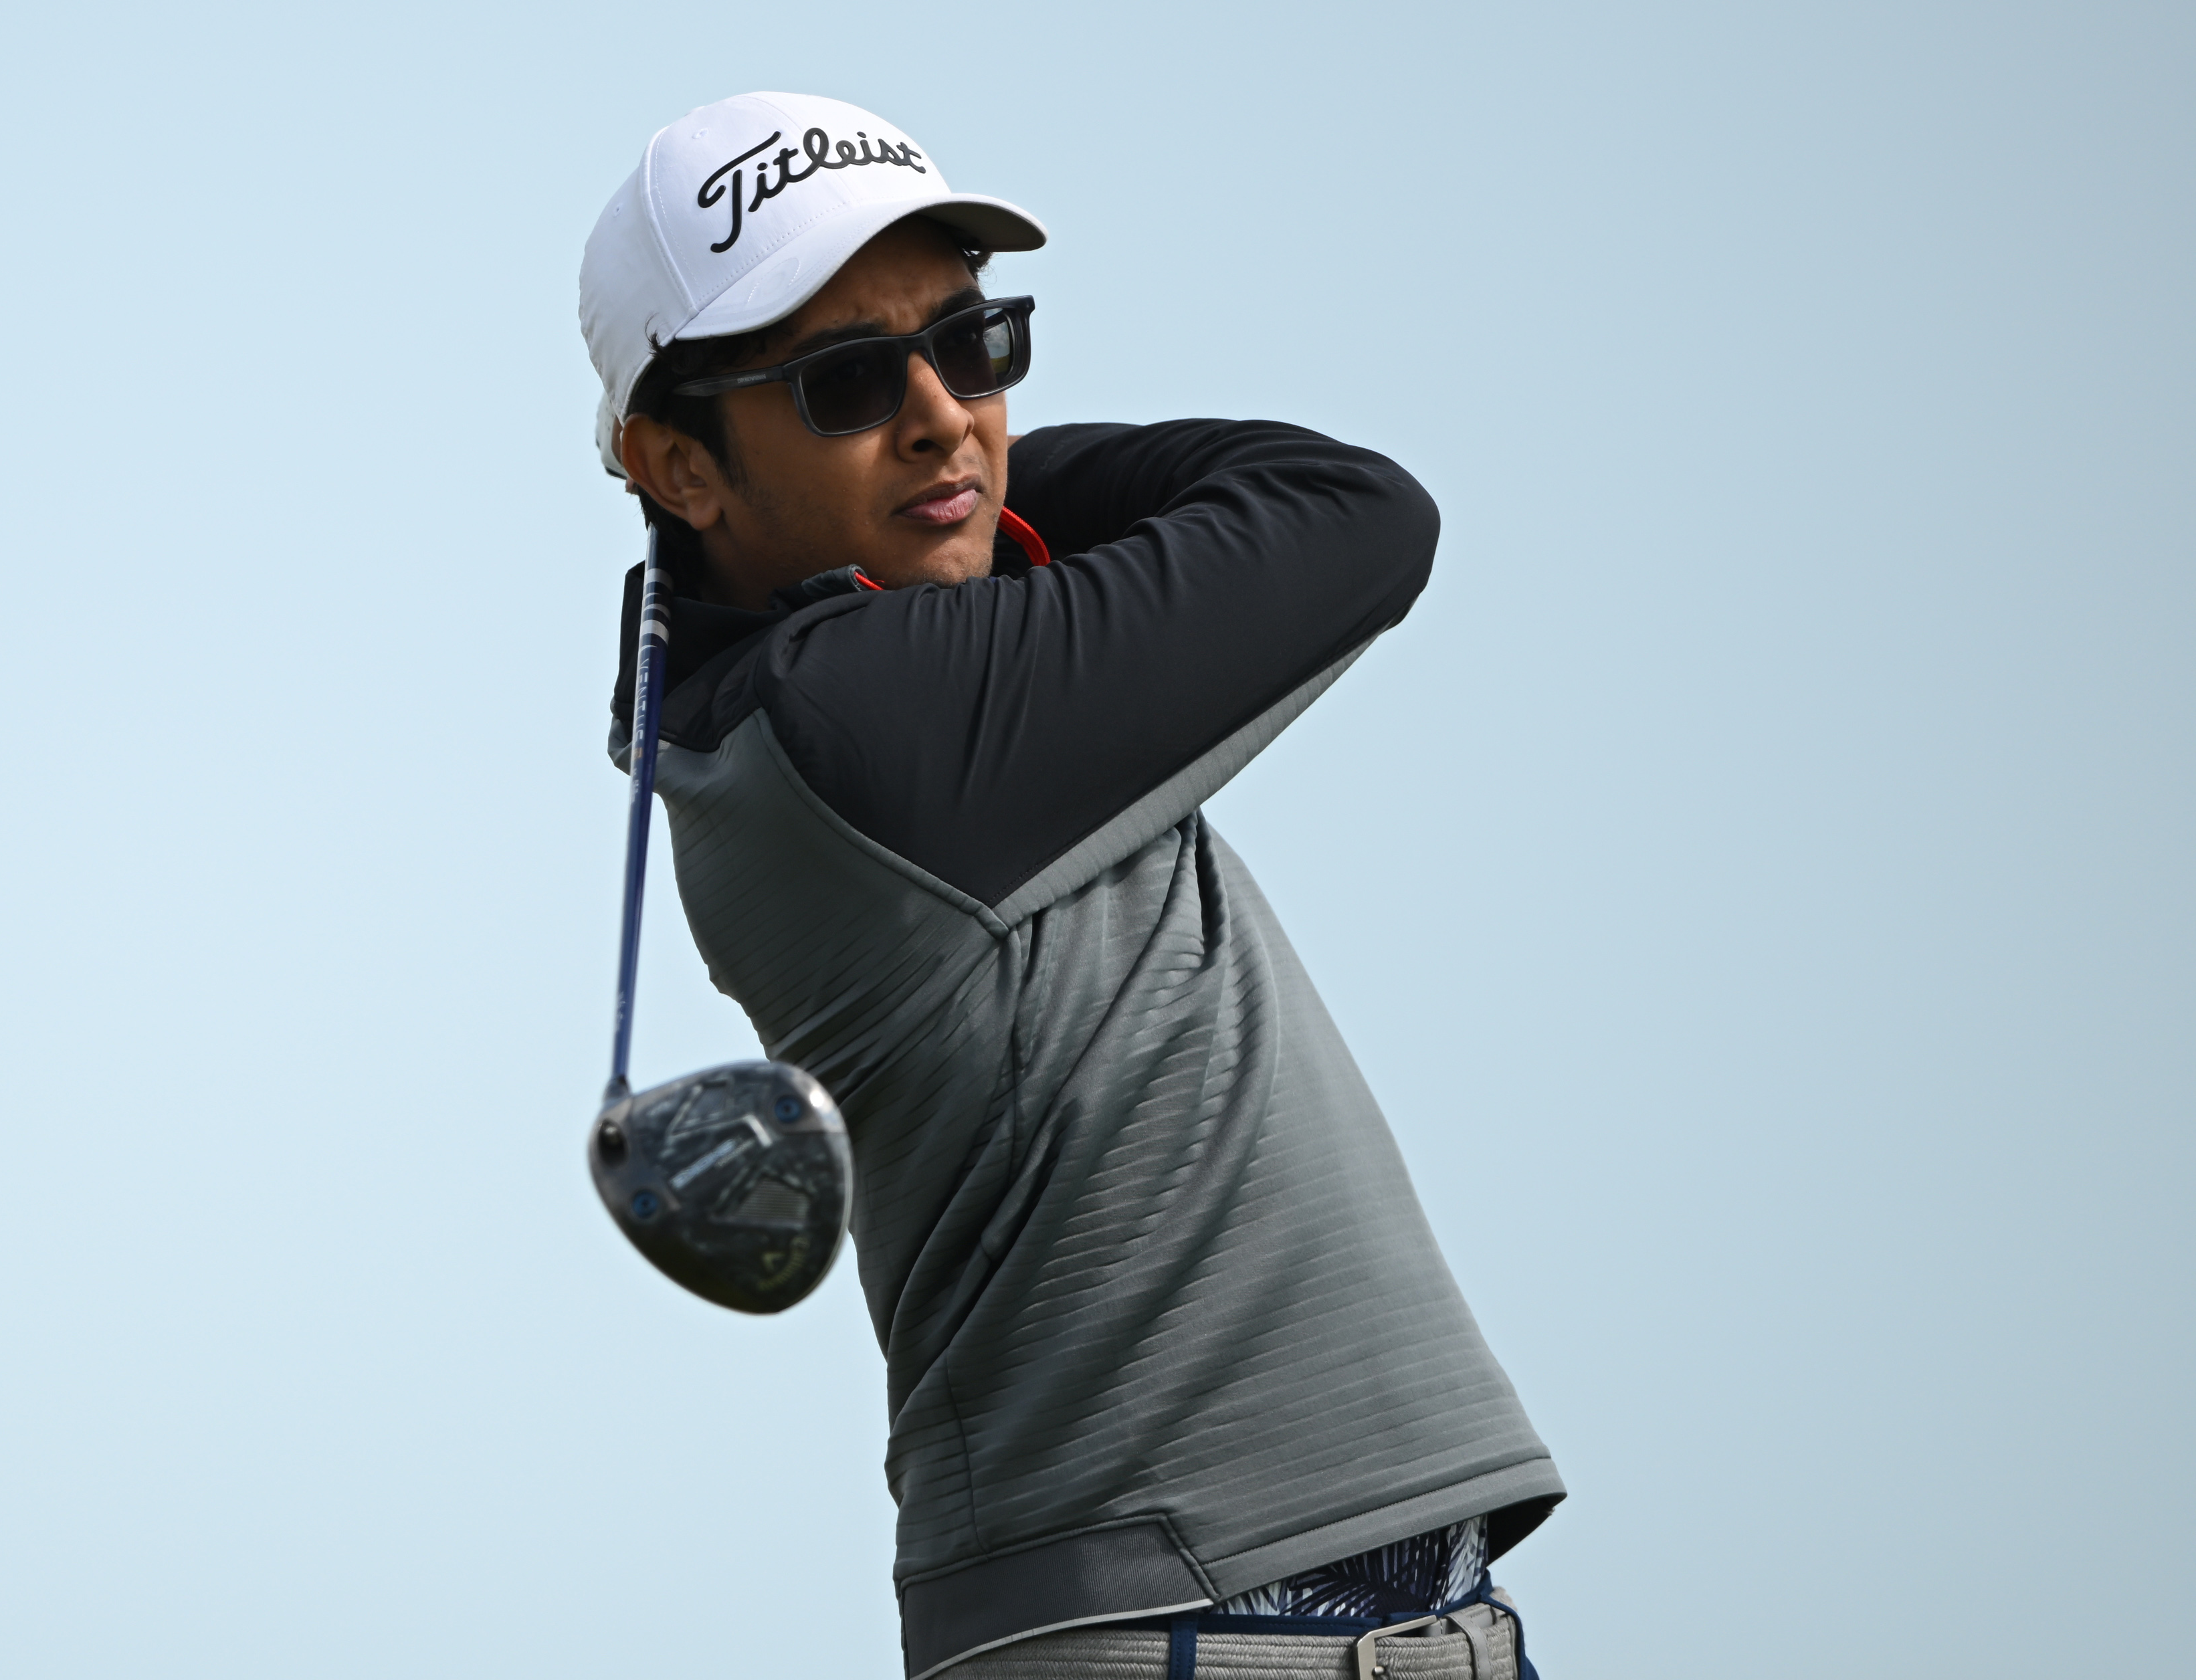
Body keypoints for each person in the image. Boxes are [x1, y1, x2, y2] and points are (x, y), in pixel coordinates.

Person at [577, 92, 1563, 1680]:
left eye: (970, 347)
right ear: (677, 462)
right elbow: (1349, 511)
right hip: (1185, 1627)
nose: (941, 414)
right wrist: (966, 479)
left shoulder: (814, 686)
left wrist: (931, 468)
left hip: (1305, 1618)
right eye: (844, 381)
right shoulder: (867, 720)